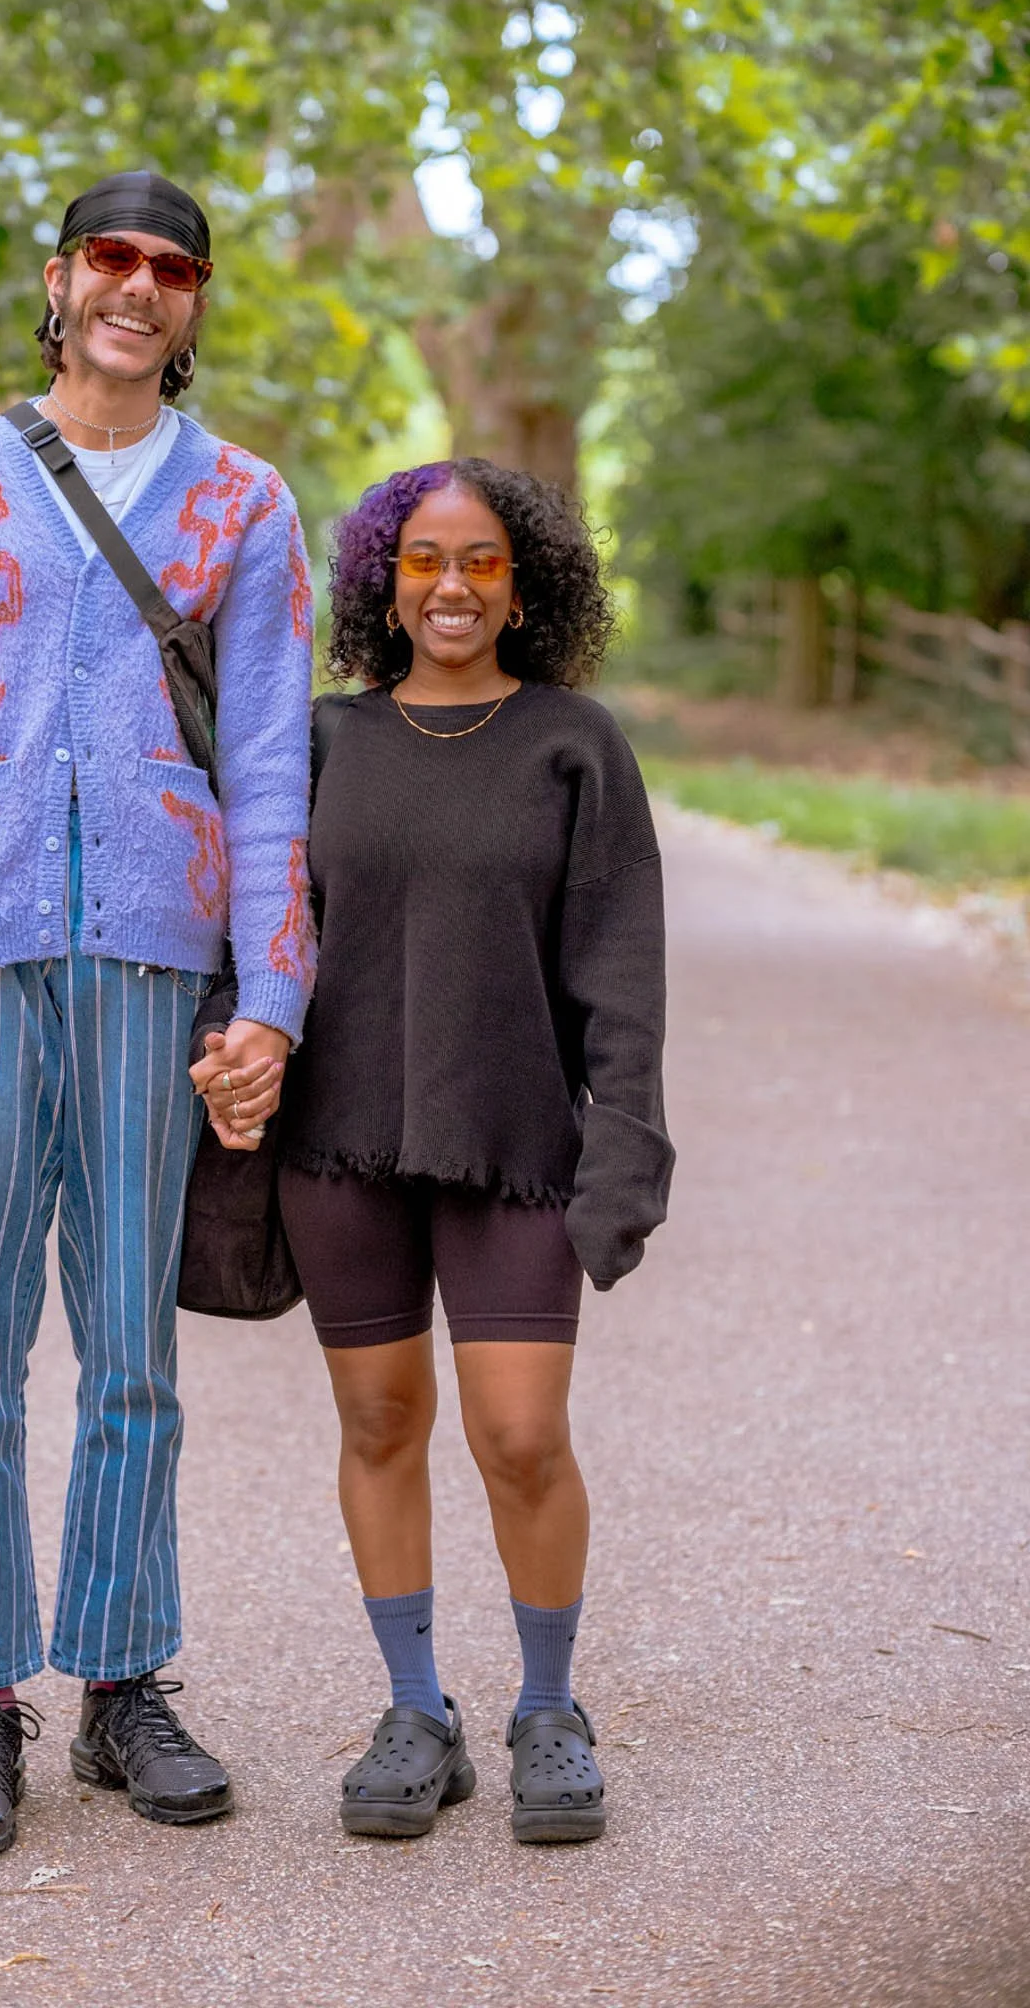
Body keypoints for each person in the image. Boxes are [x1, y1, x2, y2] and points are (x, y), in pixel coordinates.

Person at [0, 170, 316, 1856]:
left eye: (174, 268)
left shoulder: (244, 504)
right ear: (59, 281)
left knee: (132, 1350)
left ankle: (120, 1682)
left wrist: (274, 996)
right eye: (113, 257)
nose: (140, 286)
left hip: (155, 965)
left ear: (192, 307)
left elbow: (268, 766)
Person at [247, 458, 671, 1845]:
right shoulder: (322, 741)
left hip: (515, 1145)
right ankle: (416, 1711)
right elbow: (262, 925)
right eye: (422, 561)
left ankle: (548, 1707)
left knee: (520, 1436)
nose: (450, 586)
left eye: (480, 560)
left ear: (523, 585)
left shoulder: (574, 743)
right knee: (379, 1423)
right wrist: (230, 1046)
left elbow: (622, 974)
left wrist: (626, 1153)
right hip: (341, 1144)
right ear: (384, 586)